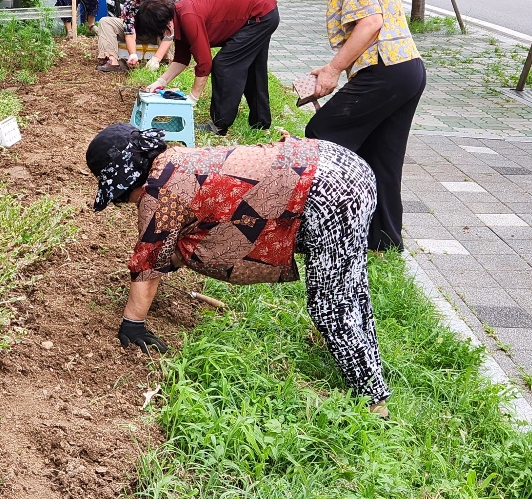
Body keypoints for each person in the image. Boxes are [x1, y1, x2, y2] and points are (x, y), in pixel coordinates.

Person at [86, 123, 389, 412]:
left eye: (122, 197)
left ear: (130, 182)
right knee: (352, 288)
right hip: (339, 164)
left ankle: (374, 401)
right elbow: (200, 229)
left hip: (329, 190)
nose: (127, 203)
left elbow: (150, 260)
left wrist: (133, 322)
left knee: (330, 305)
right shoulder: (174, 160)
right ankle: (362, 357)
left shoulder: (158, 192)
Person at [282, 0, 425, 252]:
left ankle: (318, 230)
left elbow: (371, 23)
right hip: (407, 70)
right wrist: (330, 66)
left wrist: (334, 70)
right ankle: (385, 243)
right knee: (382, 159)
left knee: (322, 134)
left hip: (386, 70)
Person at [136, 0, 280, 134]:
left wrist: (192, 99)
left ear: (166, 24)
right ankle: (260, 124)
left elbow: (205, 63)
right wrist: (160, 82)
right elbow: (182, 58)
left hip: (259, 16)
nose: (162, 36)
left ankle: (219, 125)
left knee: (224, 65)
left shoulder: (188, 16)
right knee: (253, 68)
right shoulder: (179, 14)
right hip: (264, 13)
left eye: (159, 33)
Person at [94, 0, 174, 72]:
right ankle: (112, 60)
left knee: (166, 28)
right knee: (105, 22)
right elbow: (129, 32)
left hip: (155, 35)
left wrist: (156, 58)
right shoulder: (131, 2)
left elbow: (169, 34)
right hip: (137, 33)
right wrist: (133, 54)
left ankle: (165, 60)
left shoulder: (166, 3)